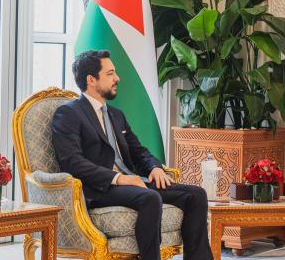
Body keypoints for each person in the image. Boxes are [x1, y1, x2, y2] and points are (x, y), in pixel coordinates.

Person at [51, 50, 212, 260]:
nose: (117, 78)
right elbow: (72, 162)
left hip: (133, 181)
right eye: (110, 74)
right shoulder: (69, 114)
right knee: (150, 198)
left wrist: (155, 167)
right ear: (91, 80)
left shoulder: (116, 115)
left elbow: (139, 151)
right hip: (99, 188)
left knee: (196, 194)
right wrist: (118, 178)